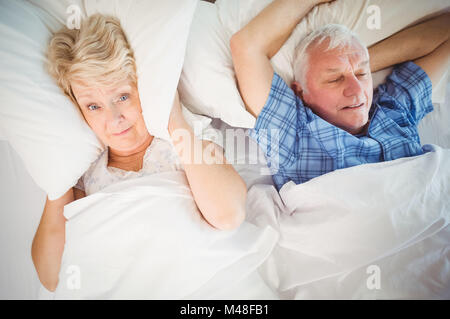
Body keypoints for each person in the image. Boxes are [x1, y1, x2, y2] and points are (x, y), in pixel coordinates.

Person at [32, 14, 247, 292]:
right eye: (93, 107)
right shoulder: (86, 172)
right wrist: (58, 181)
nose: (114, 118)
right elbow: (52, 276)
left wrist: (175, 120)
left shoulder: (185, 137)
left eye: (122, 97)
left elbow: (228, 214)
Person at [230, 0, 450, 190]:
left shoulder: (394, 110)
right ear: (300, 92)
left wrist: (358, 62)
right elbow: (245, 46)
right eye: (334, 79)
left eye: (363, 74)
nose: (356, 91)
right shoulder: (293, 133)